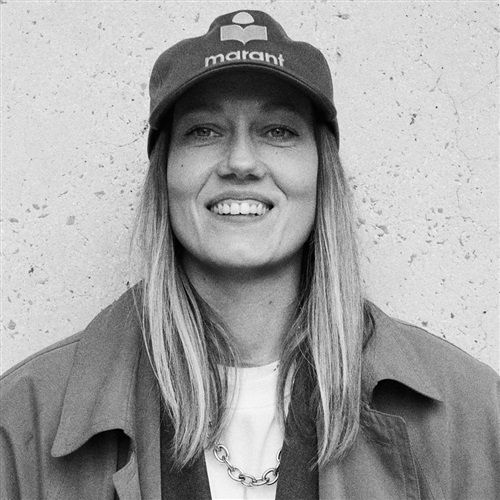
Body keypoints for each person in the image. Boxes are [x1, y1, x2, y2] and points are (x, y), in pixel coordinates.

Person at [1, 9, 498, 500]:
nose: (240, 161)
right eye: (204, 130)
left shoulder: (469, 416)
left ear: (321, 173)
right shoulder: (24, 418)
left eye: (278, 130)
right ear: (165, 175)